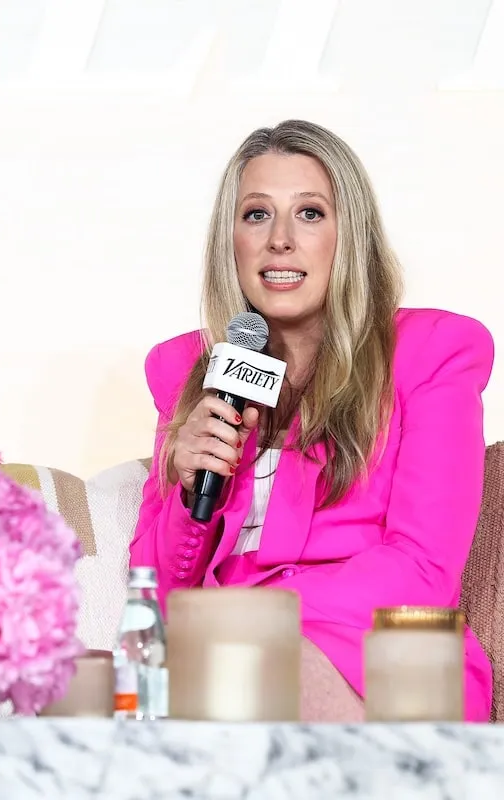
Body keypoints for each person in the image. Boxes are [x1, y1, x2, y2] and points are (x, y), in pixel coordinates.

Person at [130, 119, 493, 722]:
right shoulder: (189, 373)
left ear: (348, 236)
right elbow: (158, 592)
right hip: (220, 661)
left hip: (387, 654)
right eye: (256, 215)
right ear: (232, 241)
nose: (280, 240)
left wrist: (245, 618)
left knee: (245, 676)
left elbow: (422, 567)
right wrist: (187, 489)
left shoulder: (433, 352)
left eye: (309, 213)